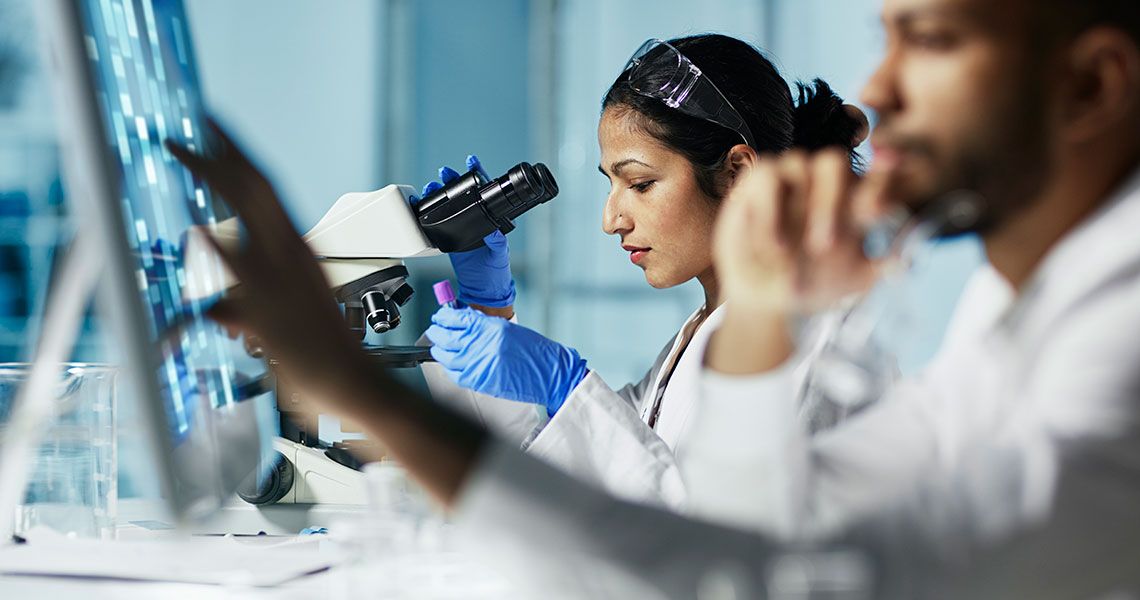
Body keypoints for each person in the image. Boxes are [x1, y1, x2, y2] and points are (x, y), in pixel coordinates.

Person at [166, 0, 1140, 595]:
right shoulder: (1012, 320)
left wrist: (364, 388)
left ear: (1093, 86)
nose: (879, 84)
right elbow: (732, 521)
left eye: (927, 38)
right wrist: (504, 337)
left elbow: (747, 577)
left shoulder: (1119, 353)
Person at [415, 34, 873, 508]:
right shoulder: (702, 336)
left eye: (641, 183)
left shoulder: (804, 343)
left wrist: (569, 389)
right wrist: (490, 310)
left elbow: (707, 545)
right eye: (612, 184)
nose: (612, 220)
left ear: (737, 173)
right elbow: (569, 488)